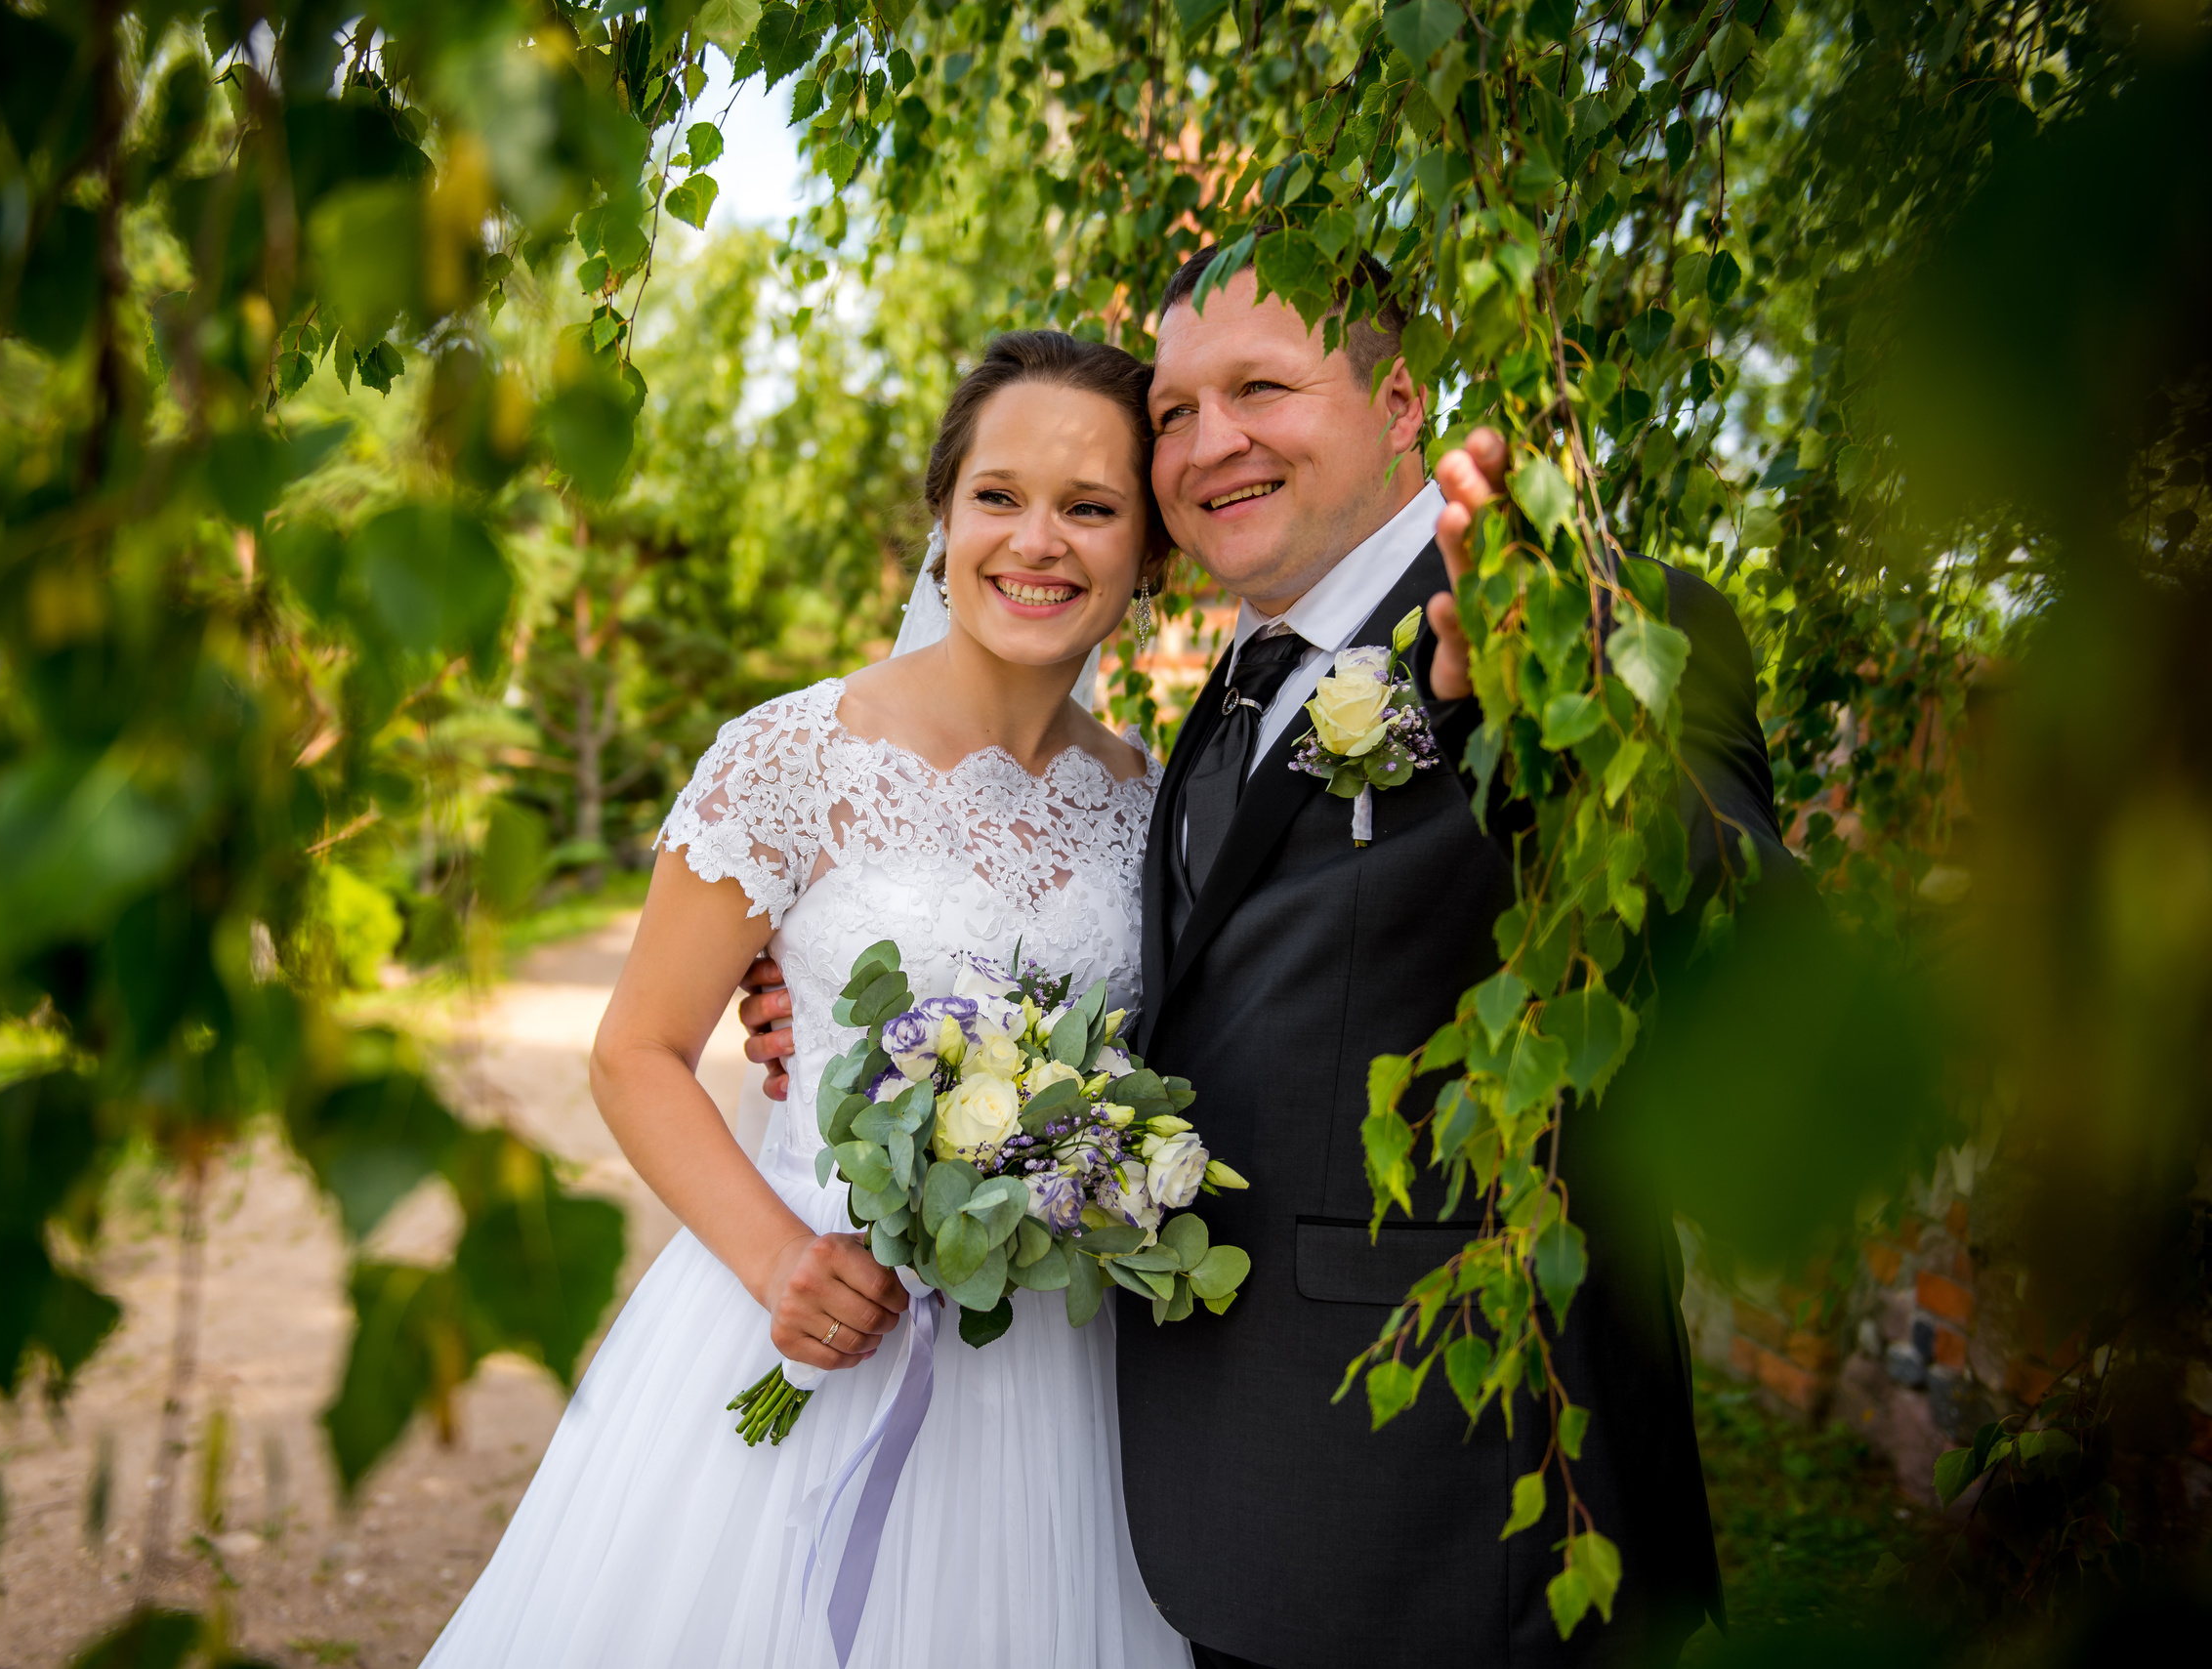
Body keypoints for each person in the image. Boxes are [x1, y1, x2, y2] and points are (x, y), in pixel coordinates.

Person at [742, 246, 1792, 1668]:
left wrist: (1563, 731)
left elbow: (1749, 967)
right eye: (1173, 410)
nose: (1209, 440)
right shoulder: (1225, 700)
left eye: (1261, 388)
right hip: (1223, 1514)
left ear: (1401, 398)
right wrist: (838, 984)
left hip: (1470, 1525)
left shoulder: (1596, 619)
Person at [415, 330, 1190, 1669]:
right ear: (942, 520)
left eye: (1092, 506)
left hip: (1069, 1367)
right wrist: (783, 1260)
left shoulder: (1154, 800)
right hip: (812, 1317)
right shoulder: (793, 756)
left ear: (1149, 549)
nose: (1037, 541)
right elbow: (637, 1052)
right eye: (998, 495)